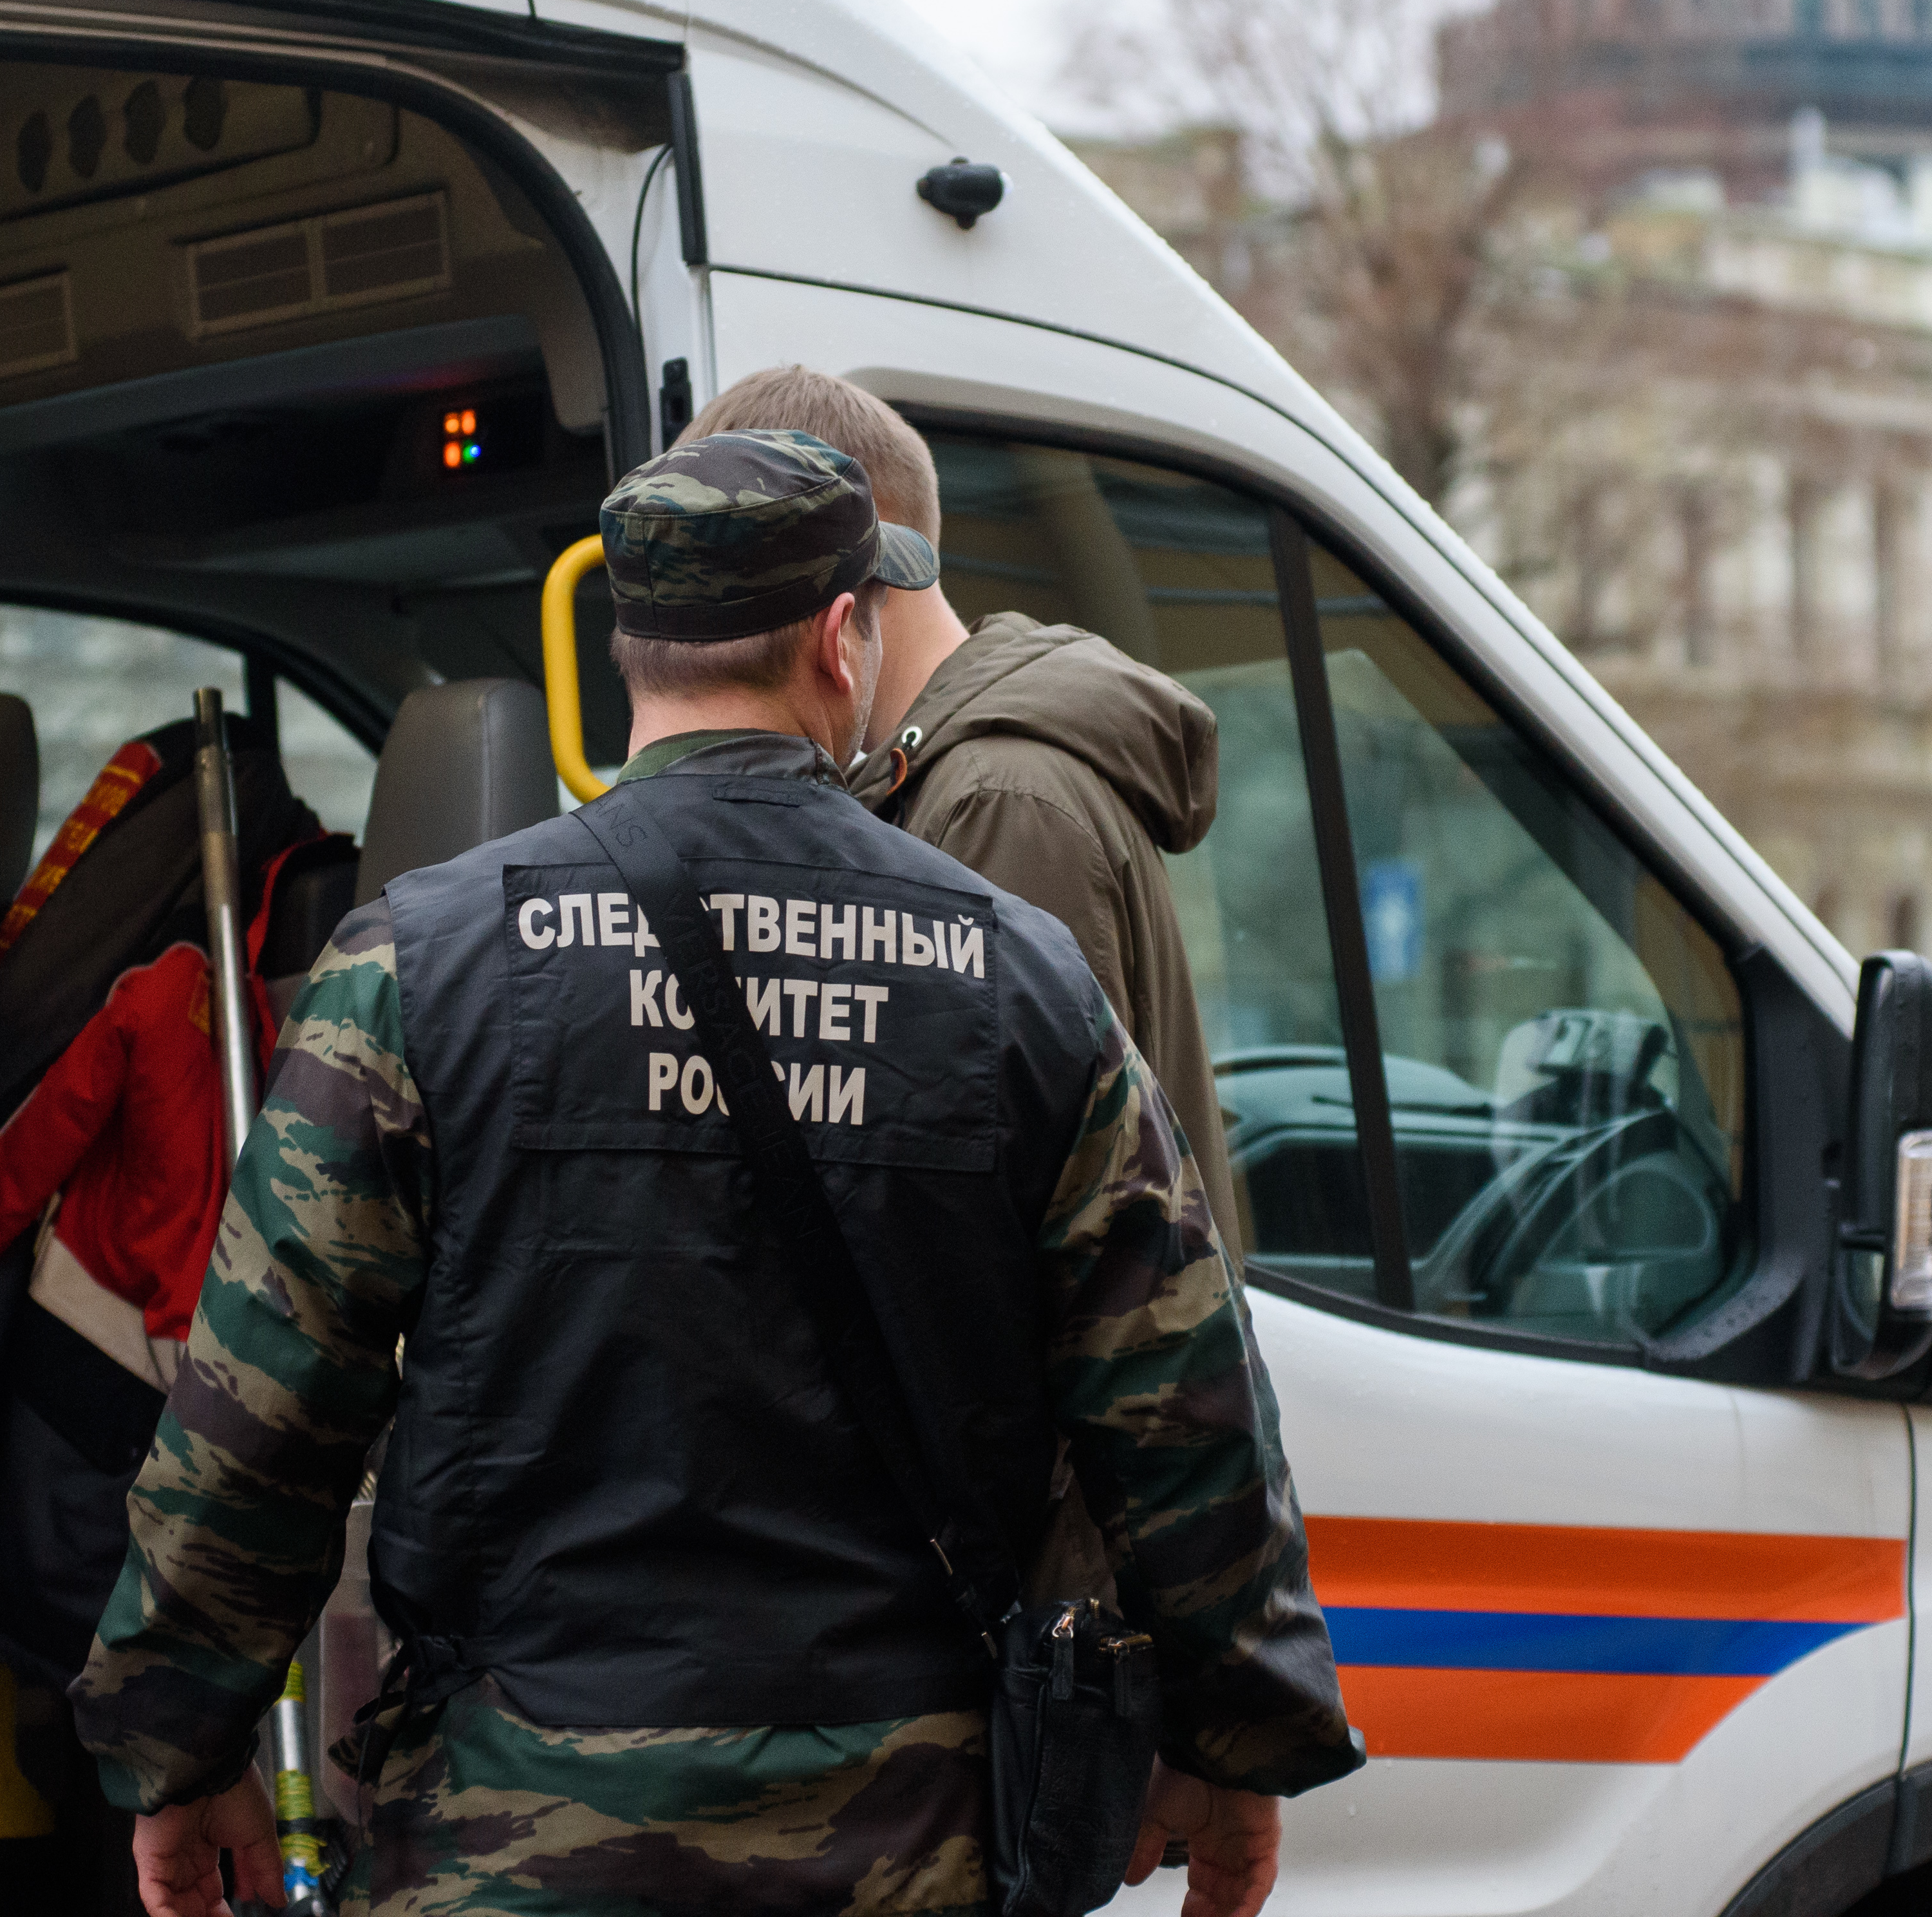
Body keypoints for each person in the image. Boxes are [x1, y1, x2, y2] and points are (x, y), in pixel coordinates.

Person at [72, 430, 1357, 1917]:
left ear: (628, 653)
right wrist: (1234, 1738)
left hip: (517, 1831)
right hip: (907, 1837)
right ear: (840, 634)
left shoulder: (420, 967)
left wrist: (179, 1736)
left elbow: (258, 1407)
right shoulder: (1015, 977)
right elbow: (1182, 1403)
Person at [682, 368, 1240, 1247]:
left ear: (864, 561)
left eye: (753, 582)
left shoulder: (998, 799)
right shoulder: (949, 777)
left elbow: (1014, 1206)